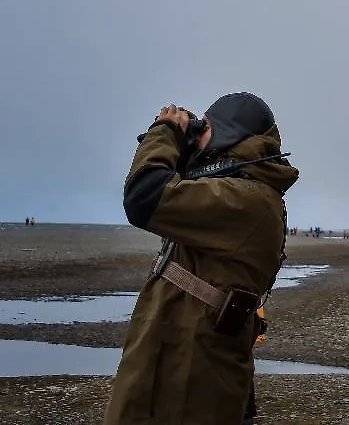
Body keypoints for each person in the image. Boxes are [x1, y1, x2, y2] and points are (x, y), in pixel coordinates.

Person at [103, 93, 298, 425]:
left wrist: (165, 130)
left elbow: (144, 197)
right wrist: (184, 146)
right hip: (180, 363)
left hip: (189, 377)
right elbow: (179, 187)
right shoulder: (237, 194)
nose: (196, 137)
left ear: (230, 134)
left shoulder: (247, 200)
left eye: (204, 129)